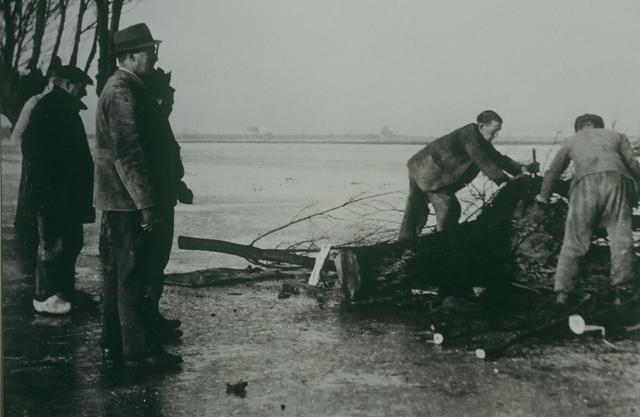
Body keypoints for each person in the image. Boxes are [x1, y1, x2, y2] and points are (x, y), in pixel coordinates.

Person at [95, 23, 183, 367]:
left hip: (122, 199)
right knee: (132, 272)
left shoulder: (128, 87)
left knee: (122, 271)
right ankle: (139, 348)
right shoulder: (122, 91)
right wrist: (146, 203)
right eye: (149, 52)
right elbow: (129, 153)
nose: (154, 57)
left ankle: (114, 340)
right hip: (128, 201)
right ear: (130, 56)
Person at [535, 114, 640, 304]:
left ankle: (562, 295)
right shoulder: (616, 135)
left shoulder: (571, 140)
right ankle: (622, 293)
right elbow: (634, 165)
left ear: (579, 128)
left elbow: (553, 171)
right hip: (617, 181)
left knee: (574, 240)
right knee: (621, 239)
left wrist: (544, 196)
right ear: (600, 126)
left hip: (585, 185)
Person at [21, 65, 95, 314]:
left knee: (71, 243)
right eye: (81, 86)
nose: (84, 92)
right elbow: (31, 148)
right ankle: (44, 296)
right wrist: (50, 183)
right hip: (53, 194)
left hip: (67, 193)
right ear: (66, 84)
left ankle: (64, 292)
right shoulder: (50, 107)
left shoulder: (64, 108)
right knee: (52, 245)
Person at [398, 110, 539, 240]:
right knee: (448, 208)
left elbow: (497, 158)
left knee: (415, 210)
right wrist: (503, 181)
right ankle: (443, 243)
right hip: (429, 173)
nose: (496, 136)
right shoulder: (468, 135)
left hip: (423, 169)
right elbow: (482, 159)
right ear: (482, 126)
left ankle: (405, 244)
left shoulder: (479, 138)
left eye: (498, 132)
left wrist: (521, 168)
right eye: (494, 131)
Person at [12, 57, 62, 274]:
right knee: (39, 225)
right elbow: (17, 137)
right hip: (39, 173)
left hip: (59, 176)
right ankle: (39, 279)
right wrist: (37, 158)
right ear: (50, 81)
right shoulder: (34, 103)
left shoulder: (64, 105)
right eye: (55, 82)